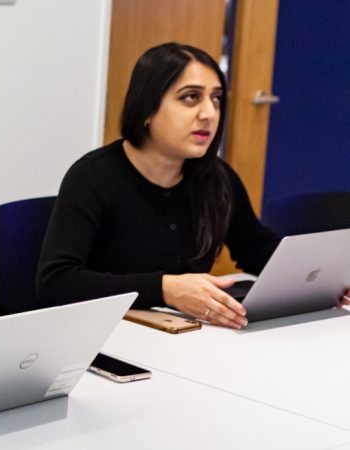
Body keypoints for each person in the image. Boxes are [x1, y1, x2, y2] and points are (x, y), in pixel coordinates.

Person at [36, 42, 350, 329]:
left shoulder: (217, 177)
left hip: (186, 337)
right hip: (104, 338)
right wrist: (165, 288)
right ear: (147, 108)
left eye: (216, 99)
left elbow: (256, 249)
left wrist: (325, 279)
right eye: (190, 98)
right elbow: (57, 282)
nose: (209, 113)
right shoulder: (93, 177)